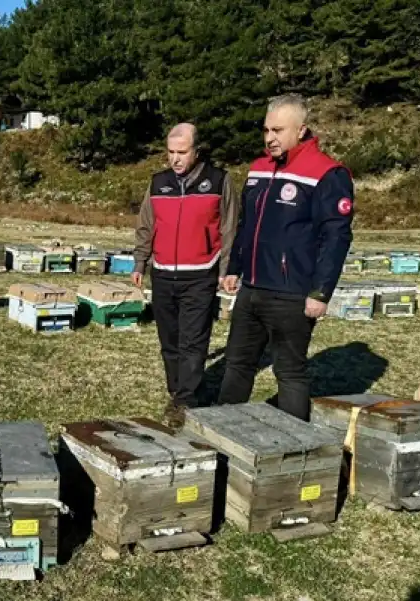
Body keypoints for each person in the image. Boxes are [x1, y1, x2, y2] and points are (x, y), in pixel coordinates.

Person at [218, 94, 354, 421]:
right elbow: (246, 224)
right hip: (252, 288)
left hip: (291, 292)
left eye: (278, 130)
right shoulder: (259, 169)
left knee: (289, 372)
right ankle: (220, 430)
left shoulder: (327, 173)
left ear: (301, 130)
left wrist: (320, 292)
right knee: (237, 363)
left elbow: (336, 236)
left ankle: (294, 448)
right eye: (266, 130)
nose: (270, 138)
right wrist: (235, 267)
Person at [132, 123, 239, 428]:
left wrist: (227, 269)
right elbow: (146, 225)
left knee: (193, 340)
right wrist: (140, 262)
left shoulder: (219, 181)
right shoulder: (158, 183)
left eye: (182, 152)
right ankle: (177, 389)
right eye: (171, 152)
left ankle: (185, 400)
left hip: (200, 275)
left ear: (196, 150)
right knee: (170, 340)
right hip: (163, 274)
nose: (175, 159)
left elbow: (229, 228)